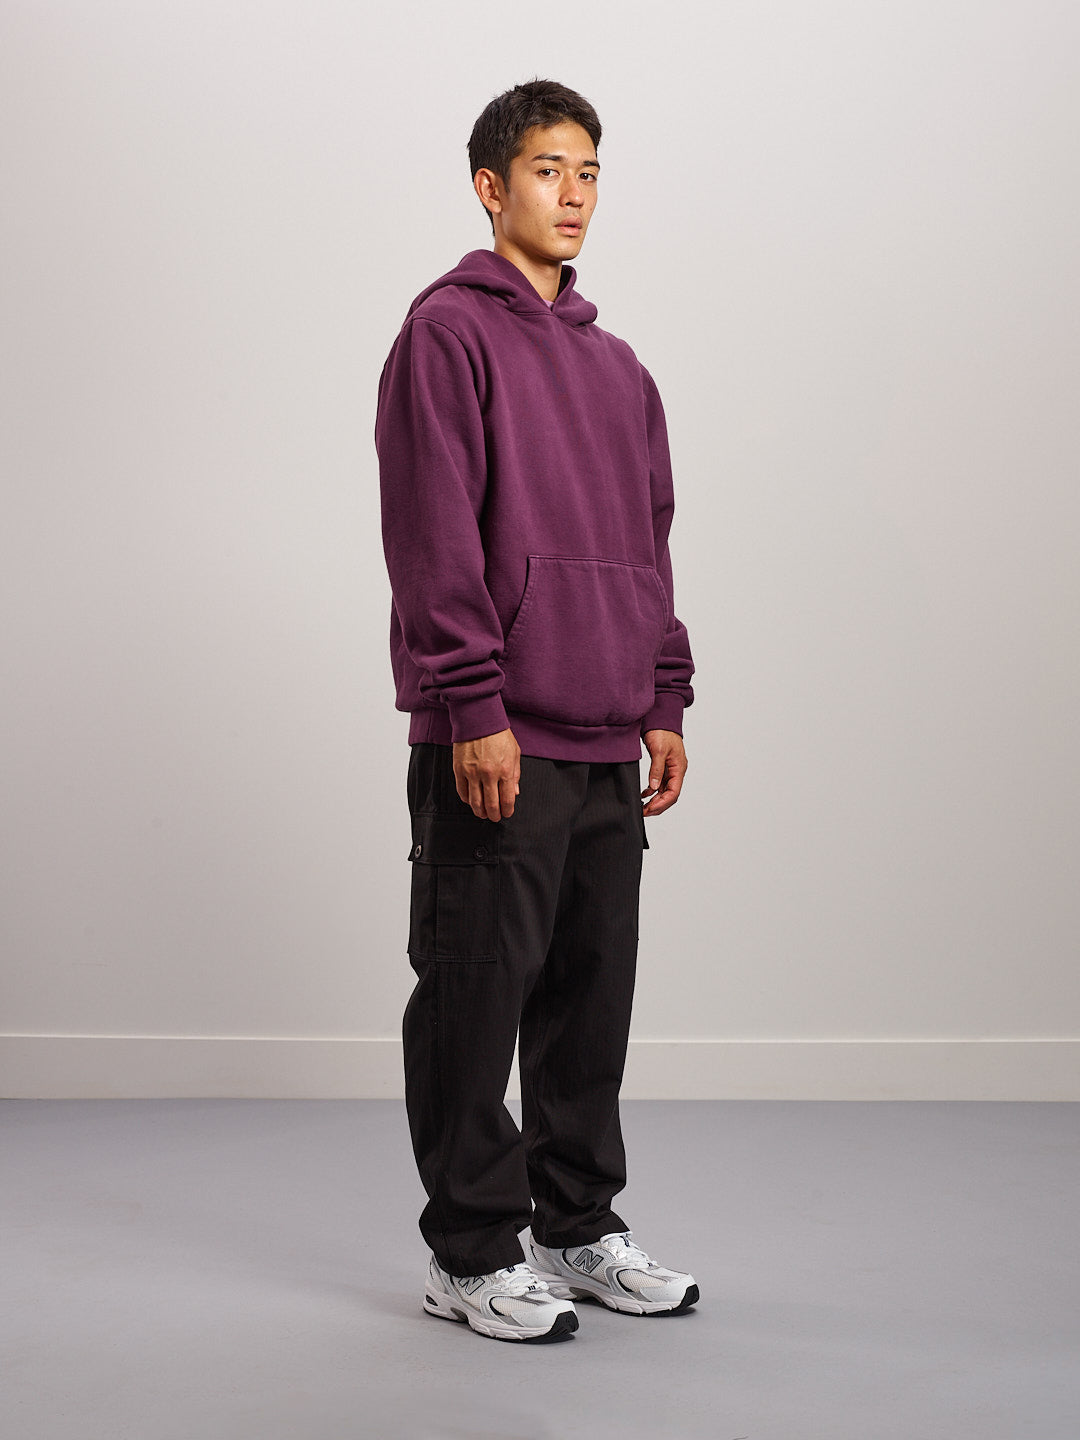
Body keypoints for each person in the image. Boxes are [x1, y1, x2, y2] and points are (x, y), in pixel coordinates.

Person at [375, 78, 698, 1344]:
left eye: (590, 171)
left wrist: (662, 692)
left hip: (607, 727)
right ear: (490, 186)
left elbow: (648, 543)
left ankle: (577, 1228)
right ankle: (469, 1253)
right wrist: (471, 705)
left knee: (586, 999)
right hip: (496, 730)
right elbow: (432, 533)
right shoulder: (446, 336)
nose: (573, 193)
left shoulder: (621, 370)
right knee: (474, 994)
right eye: (548, 169)